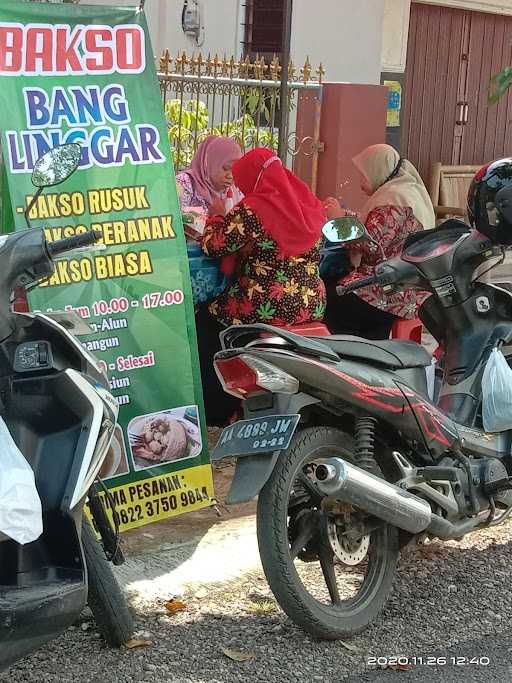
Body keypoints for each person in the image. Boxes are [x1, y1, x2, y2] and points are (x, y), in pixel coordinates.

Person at [197, 147, 327, 425]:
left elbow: (214, 245)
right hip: (309, 303)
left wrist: (217, 216)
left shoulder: (255, 208)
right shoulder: (310, 203)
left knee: (206, 325)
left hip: (265, 305)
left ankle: (218, 411)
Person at [323, 144, 435, 340]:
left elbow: (373, 246)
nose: (361, 181)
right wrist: (343, 215)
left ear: (378, 171)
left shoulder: (393, 199)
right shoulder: (405, 192)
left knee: (326, 299)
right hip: (406, 286)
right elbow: (375, 224)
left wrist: (337, 221)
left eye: (364, 175)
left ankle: (351, 356)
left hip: (389, 291)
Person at [176, 135, 243, 222]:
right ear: (209, 164)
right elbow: (173, 216)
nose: (230, 176)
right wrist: (211, 215)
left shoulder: (234, 190)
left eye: (234, 170)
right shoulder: (183, 182)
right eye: (225, 168)